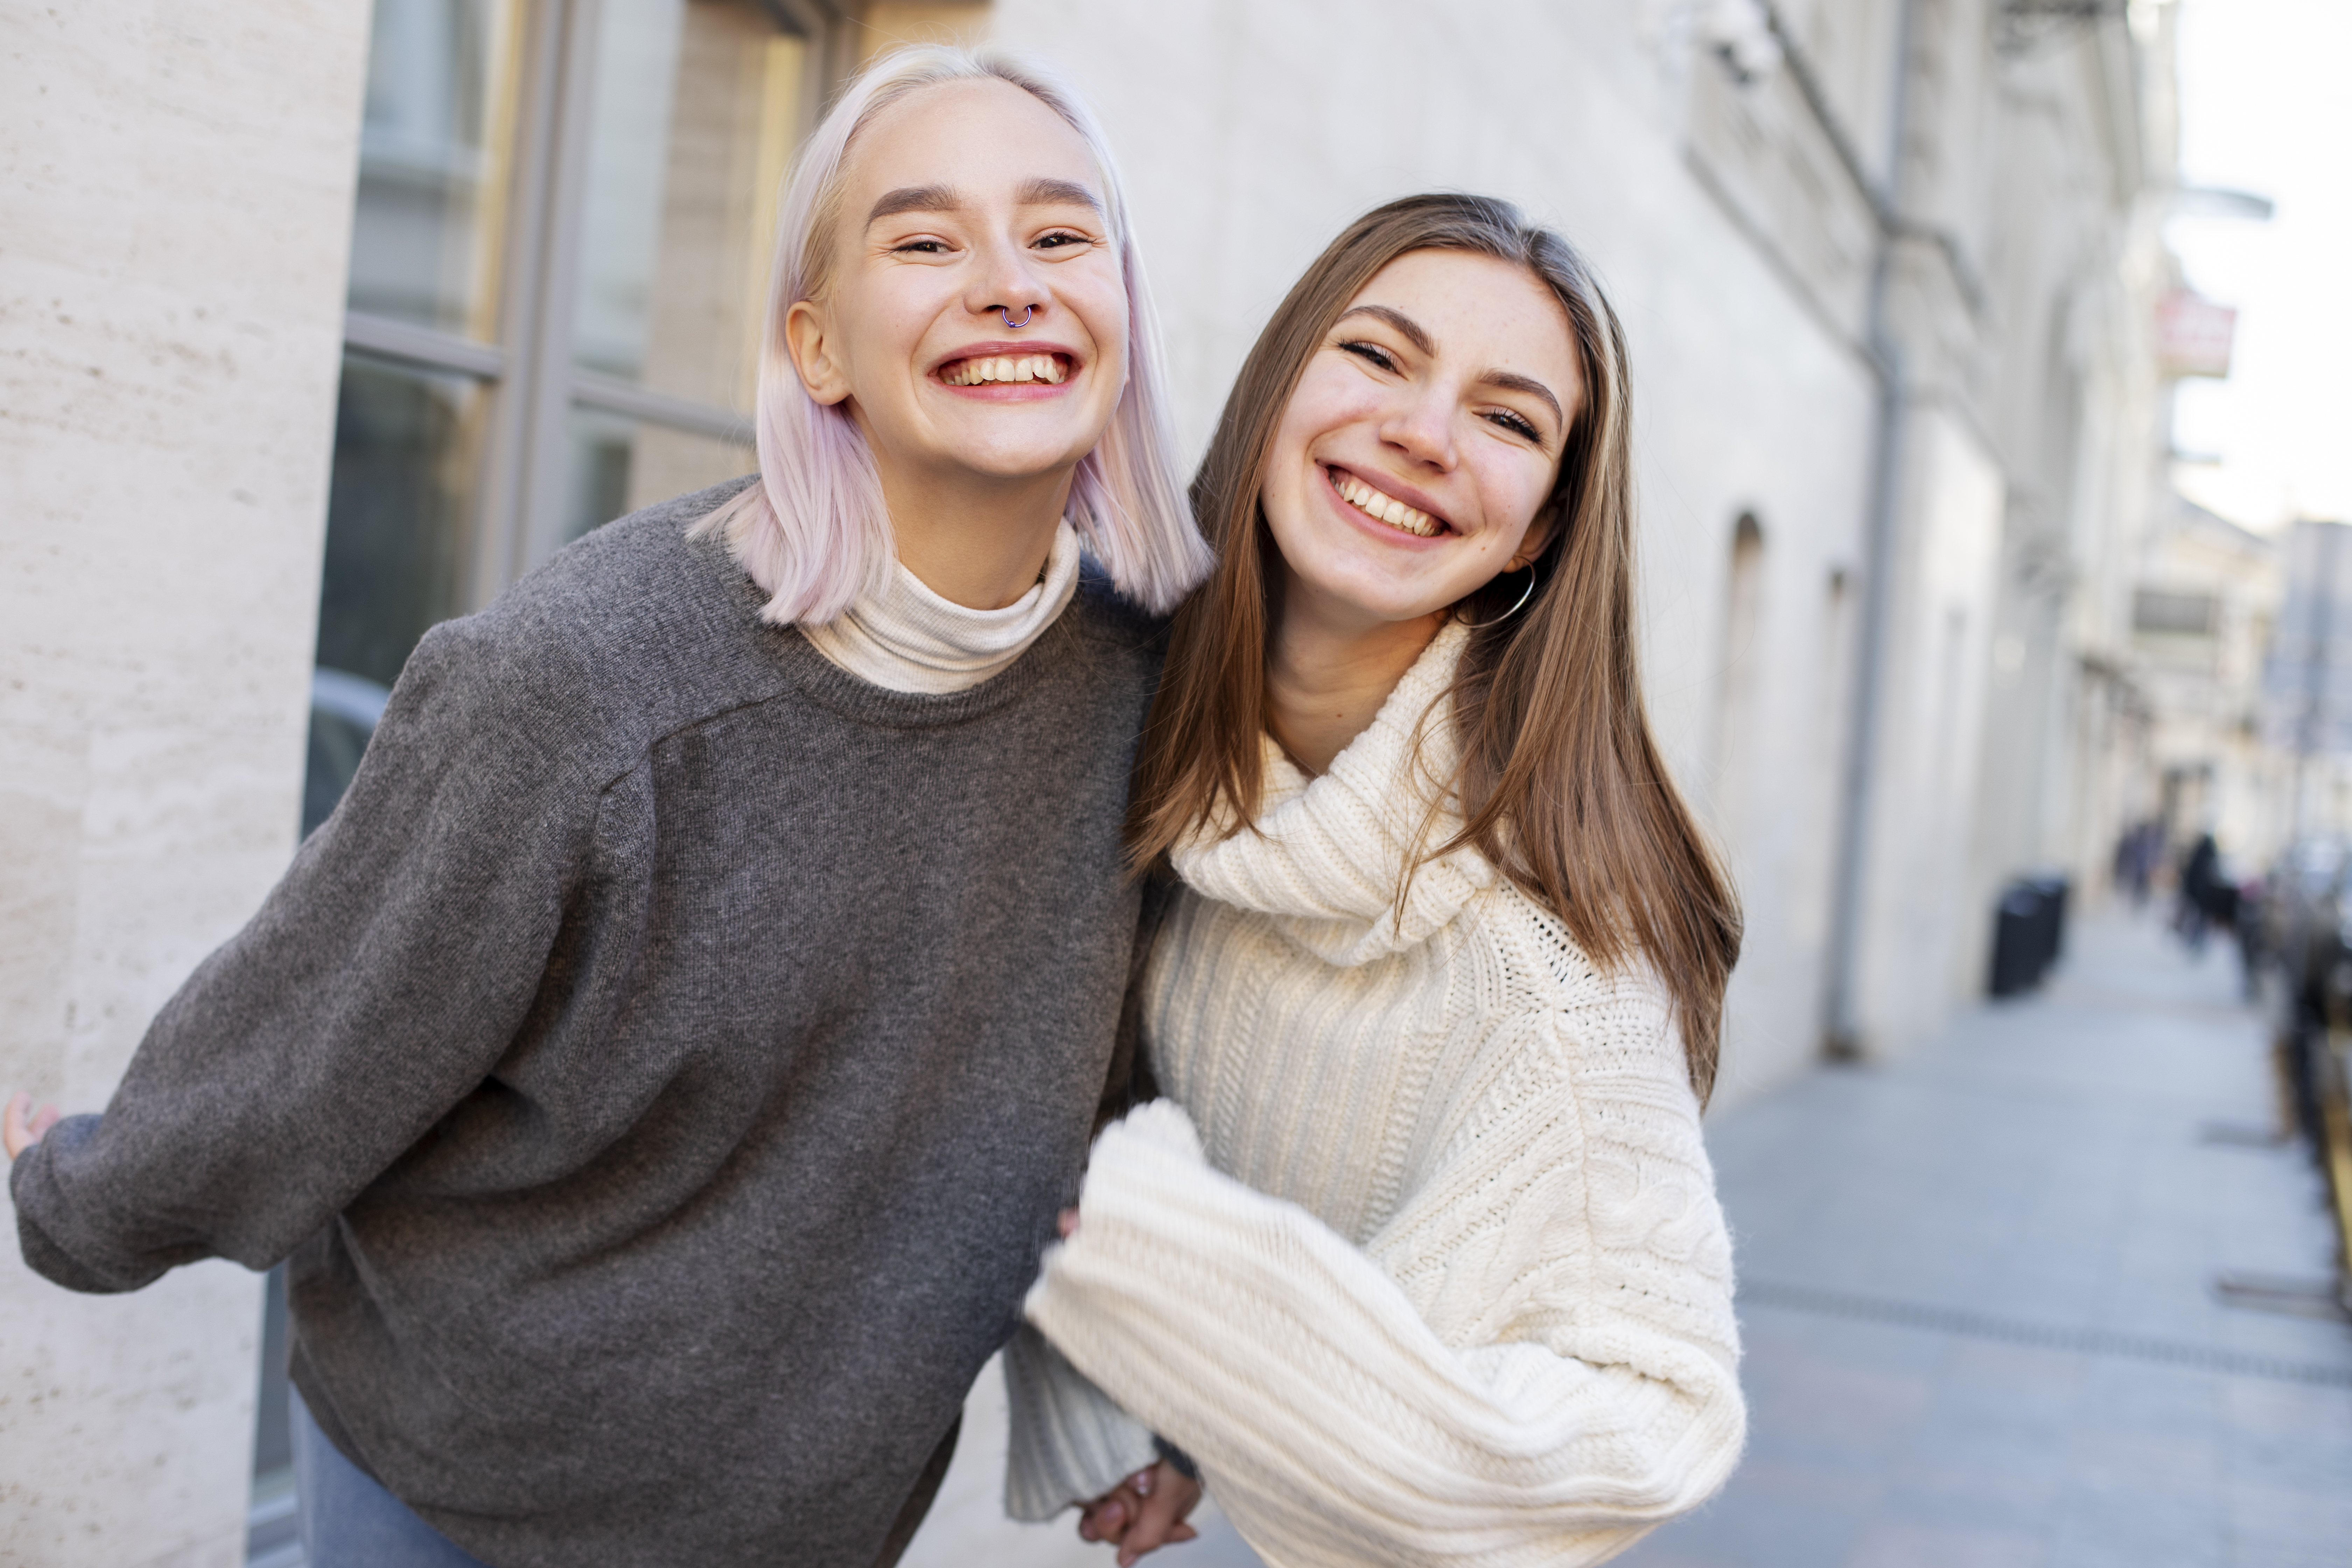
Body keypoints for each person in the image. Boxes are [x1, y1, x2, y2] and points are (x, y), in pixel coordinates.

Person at [5, 45, 1206, 1568]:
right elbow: (323, 1028)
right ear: (817, 346)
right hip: (458, 1488)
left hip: (820, 1519)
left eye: (1059, 233)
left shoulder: (1153, 694)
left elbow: (1122, 1094)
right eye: (924, 240)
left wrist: (1132, 1402)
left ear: (1124, 313)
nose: (1009, 282)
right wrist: (84, 1193)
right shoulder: (583, 681)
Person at [1002, 194, 1748, 1566]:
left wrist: (1167, 1275)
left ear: (1535, 534)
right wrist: (1163, 1416)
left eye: (1510, 420)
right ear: (1281, 384)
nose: (1423, 432)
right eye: (1380, 357)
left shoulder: (1554, 973)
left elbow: (1655, 1420)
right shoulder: (1124, 704)